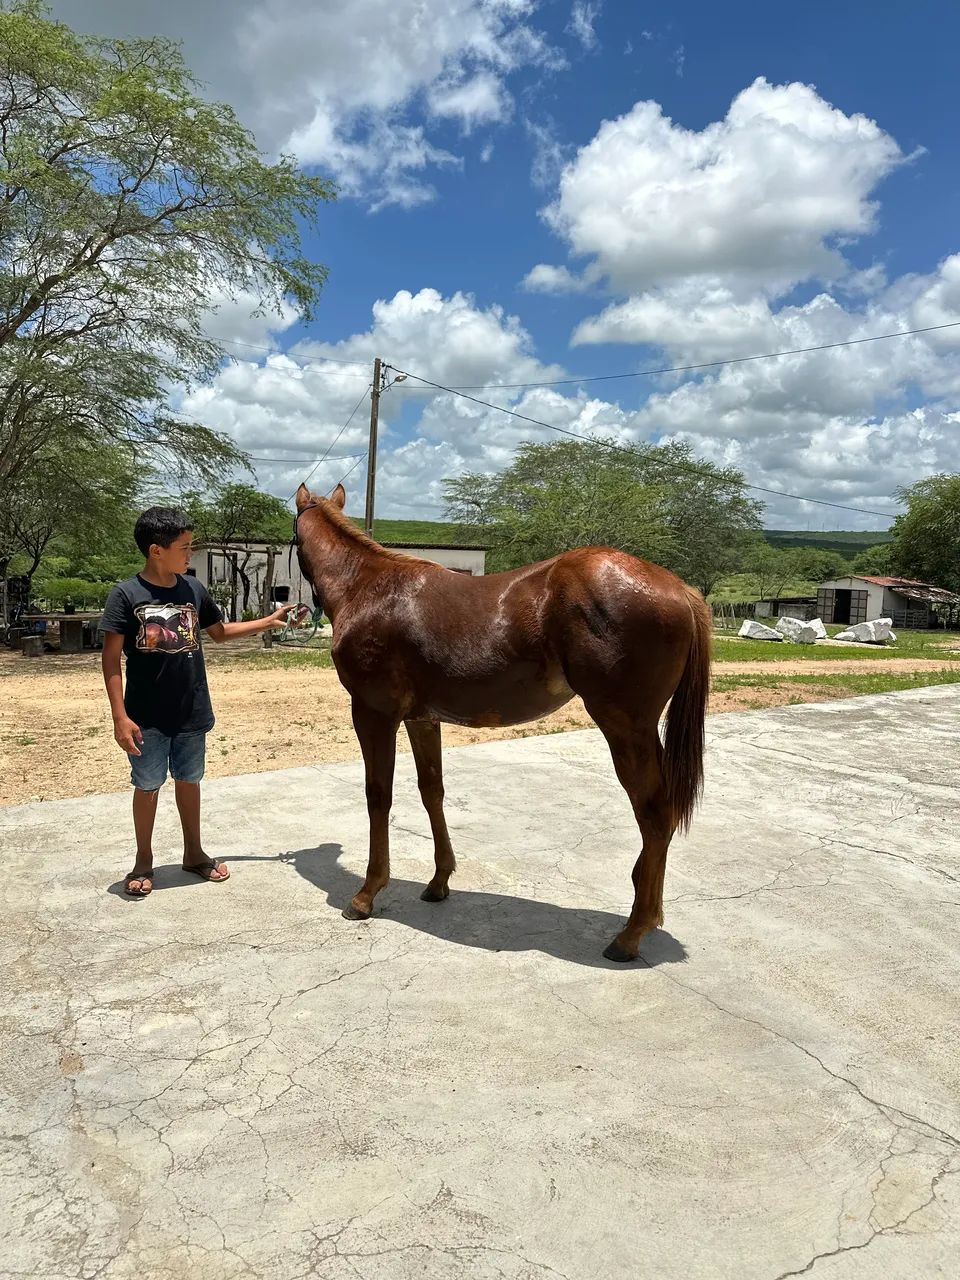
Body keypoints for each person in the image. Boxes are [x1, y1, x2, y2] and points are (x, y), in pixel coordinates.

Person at [100, 506, 292, 896]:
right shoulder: (126, 595)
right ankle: (143, 860)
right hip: (145, 718)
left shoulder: (193, 590)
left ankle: (193, 852)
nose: (190, 555)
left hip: (191, 710)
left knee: (190, 781)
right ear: (157, 550)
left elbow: (219, 632)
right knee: (148, 784)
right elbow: (110, 662)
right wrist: (120, 717)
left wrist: (268, 621)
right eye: (185, 547)